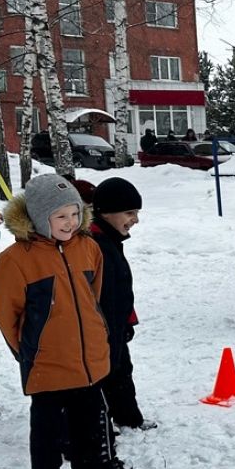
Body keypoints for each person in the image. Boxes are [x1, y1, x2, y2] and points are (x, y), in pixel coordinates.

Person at [0, 175, 140, 469]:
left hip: (87, 362)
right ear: (41, 218)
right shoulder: (17, 259)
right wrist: (31, 351)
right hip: (48, 364)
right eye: (61, 217)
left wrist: (97, 337)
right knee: (48, 434)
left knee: (88, 427)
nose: (70, 222)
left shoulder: (87, 248)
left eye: (74, 214)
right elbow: (4, 311)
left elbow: (94, 298)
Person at [90, 178, 156, 432]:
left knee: (121, 370)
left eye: (137, 213)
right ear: (106, 212)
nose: (135, 220)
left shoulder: (111, 240)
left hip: (115, 324)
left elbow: (119, 290)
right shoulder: (95, 244)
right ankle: (101, 425)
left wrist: (127, 319)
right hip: (100, 330)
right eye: (129, 213)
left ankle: (127, 417)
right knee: (105, 375)